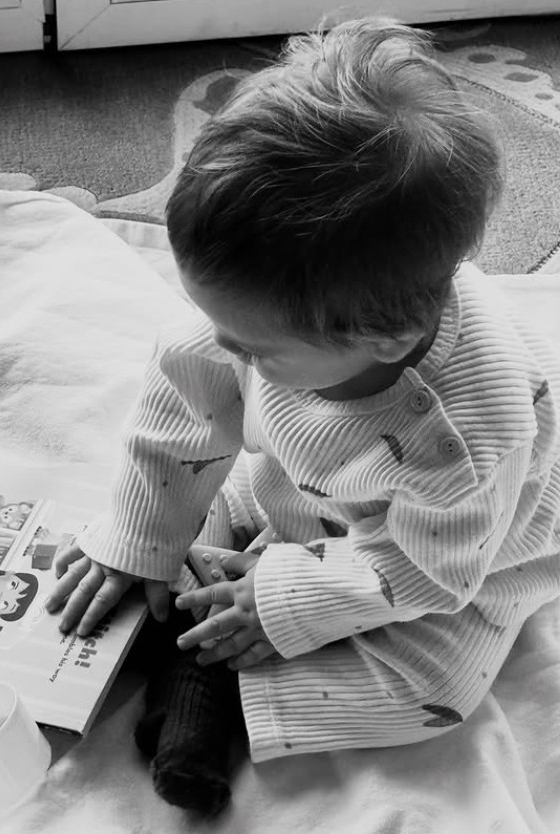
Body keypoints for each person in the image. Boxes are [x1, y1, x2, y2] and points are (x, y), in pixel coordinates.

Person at [46, 13, 560, 812]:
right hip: (301, 484)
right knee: (209, 498)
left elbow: (423, 573)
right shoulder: (272, 317)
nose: (224, 347)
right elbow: (180, 412)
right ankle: (187, 601)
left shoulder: (463, 438)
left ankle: (204, 686)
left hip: (455, 556)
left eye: (254, 349)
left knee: (432, 690)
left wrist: (281, 601)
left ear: (385, 338)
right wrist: (139, 542)